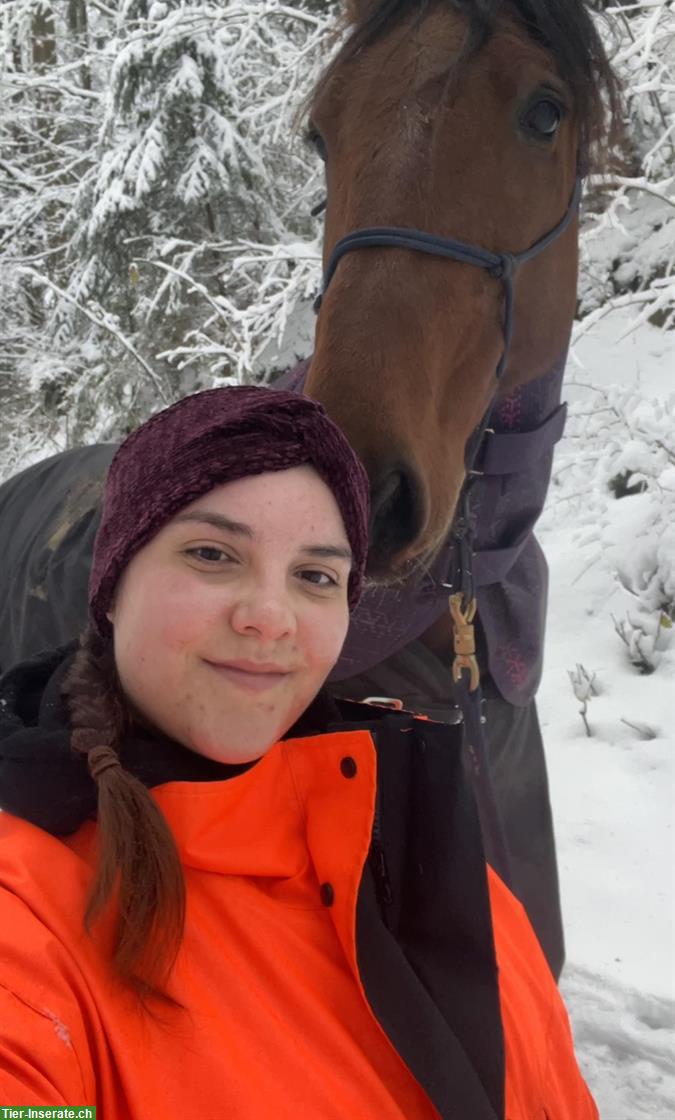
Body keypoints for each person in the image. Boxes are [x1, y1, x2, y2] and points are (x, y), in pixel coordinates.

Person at [0, 386, 596, 1119]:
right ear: (112, 586)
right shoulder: (22, 914)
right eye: (213, 554)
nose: (269, 618)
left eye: (315, 576)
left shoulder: (421, 854)